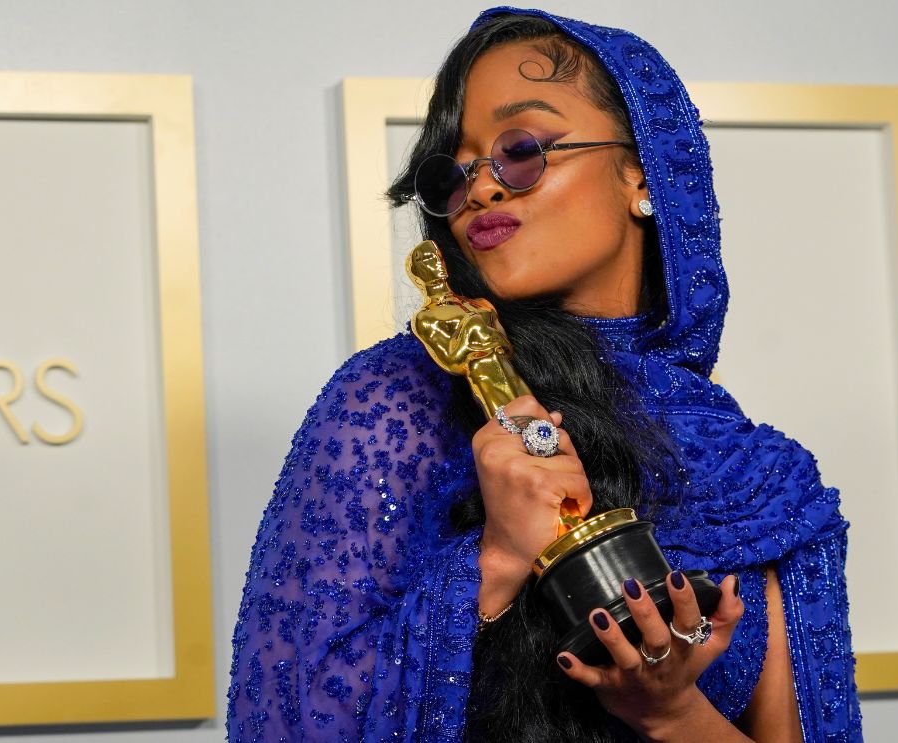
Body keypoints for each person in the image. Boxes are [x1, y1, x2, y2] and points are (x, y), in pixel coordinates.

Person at [227, 7, 863, 742]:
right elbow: (283, 719)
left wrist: (670, 711)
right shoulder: (396, 401)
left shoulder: (766, 483)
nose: (482, 189)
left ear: (642, 173)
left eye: (521, 148)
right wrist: (496, 562)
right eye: (453, 170)